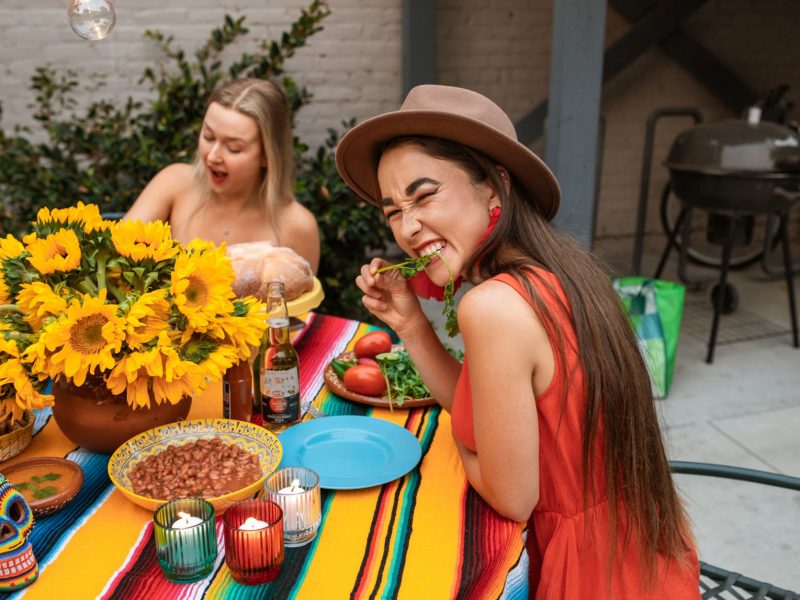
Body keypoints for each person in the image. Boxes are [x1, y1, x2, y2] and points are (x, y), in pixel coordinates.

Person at [336, 85, 700, 598]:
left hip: (580, 575)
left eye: (424, 195)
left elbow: (511, 497)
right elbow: (489, 409)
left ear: (495, 188)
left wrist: (453, 447)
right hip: (640, 554)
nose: (409, 227)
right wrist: (413, 326)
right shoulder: (562, 270)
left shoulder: (492, 306)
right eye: (392, 210)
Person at [124, 78, 320, 273]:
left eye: (234, 148)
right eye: (208, 136)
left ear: (267, 156)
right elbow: (114, 254)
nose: (213, 156)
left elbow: (302, 301)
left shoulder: (298, 225)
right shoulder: (174, 183)